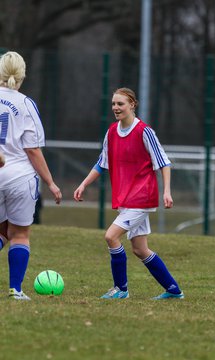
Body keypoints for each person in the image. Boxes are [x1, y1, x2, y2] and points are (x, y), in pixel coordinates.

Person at [74, 87, 184, 300]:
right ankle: (174, 290)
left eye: (120, 104)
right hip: (126, 198)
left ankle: (121, 289)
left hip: (142, 197)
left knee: (111, 236)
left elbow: (164, 163)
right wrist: (83, 184)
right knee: (140, 249)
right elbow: (101, 163)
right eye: (114, 104)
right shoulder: (112, 132)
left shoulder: (144, 131)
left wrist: (167, 192)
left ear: (132, 104)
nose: (116, 108)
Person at [0, 51, 62, 300]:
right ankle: (16, 289)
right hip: (19, 177)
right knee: (20, 234)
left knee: (2, 232)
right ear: (22, 75)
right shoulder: (26, 104)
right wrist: (50, 182)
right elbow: (33, 150)